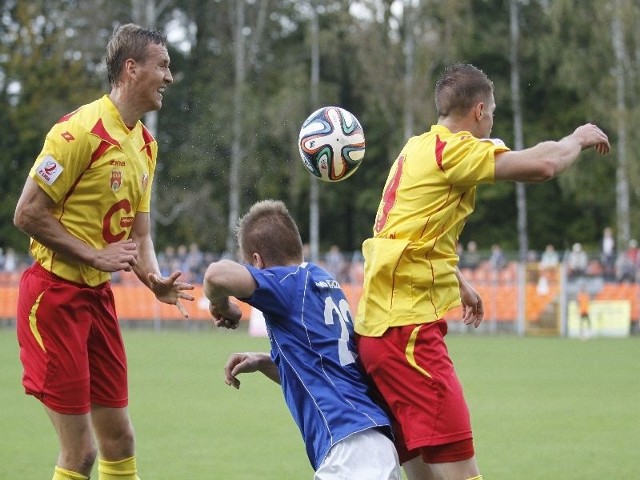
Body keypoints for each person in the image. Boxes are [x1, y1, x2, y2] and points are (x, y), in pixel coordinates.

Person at [355, 63, 610, 480]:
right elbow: (542, 166)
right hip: (410, 337)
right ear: (479, 112)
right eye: (491, 113)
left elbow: (402, 235)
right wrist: (577, 139)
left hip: (379, 336)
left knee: (424, 477)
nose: (492, 121)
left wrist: (459, 280)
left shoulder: (415, 149)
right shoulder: (452, 151)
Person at [13, 24, 195, 480]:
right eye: (164, 65)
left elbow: (141, 235)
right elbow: (27, 214)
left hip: (98, 302)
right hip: (53, 298)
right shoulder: (77, 132)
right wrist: (92, 255)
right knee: (80, 454)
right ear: (132, 69)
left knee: (120, 440)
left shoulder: (147, 146)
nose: (170, 77)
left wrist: (153, 280)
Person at [203, 200, 401, 479]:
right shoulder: (322, 280)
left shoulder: (288, 284)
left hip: (349, 451)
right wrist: (264, 362)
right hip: (371, 443)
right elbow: (318, 368)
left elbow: (215, 275)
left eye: (251, 265)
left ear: (258, 262)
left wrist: (223, 306)